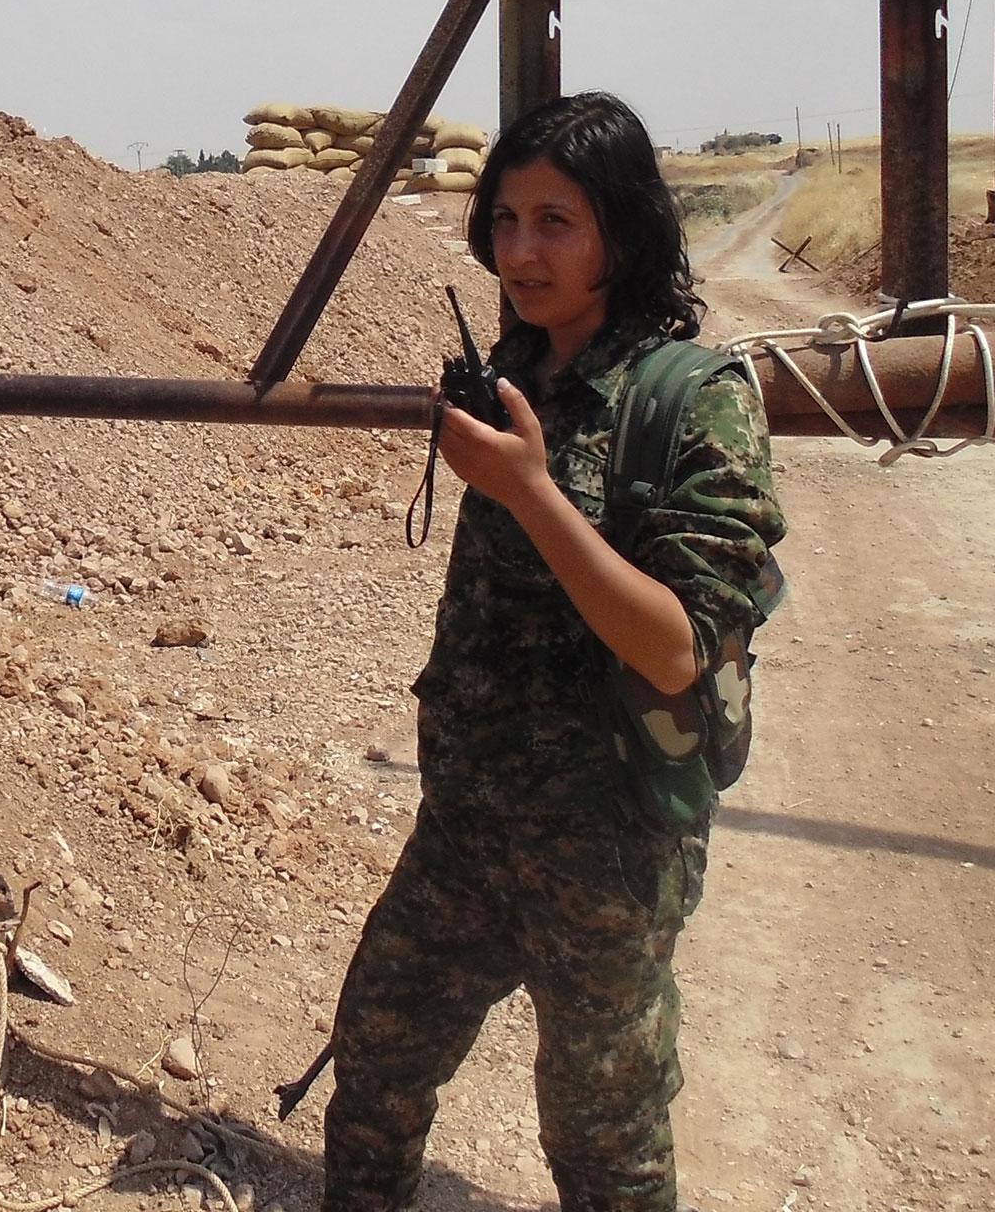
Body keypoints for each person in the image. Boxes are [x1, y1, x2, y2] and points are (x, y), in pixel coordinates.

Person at [322, 92, 786, 1212]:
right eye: (504, 220)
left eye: (555, 223)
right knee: (375, 1068)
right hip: (466, 827)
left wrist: (528, 490)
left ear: (621, 231)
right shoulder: (514, 371)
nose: (518, 252)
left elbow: (677, 648)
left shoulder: (693, 401)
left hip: (607, 851)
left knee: (601, 1143)